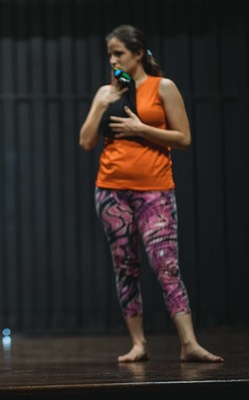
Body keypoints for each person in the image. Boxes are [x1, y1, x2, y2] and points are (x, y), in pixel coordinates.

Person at [79, 24, 223, 363]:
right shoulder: (106, 93)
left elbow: (184, 139)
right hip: (112, 191)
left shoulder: (163, 87)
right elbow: (86, 141)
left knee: (166, 266)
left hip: (155, 190)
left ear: (138, 54)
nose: (113, 60)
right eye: (109, 55)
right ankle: (138, 344)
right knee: (125, 267)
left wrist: (140, 129)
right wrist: (104, 102)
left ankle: (189, 343)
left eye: (119, 54)